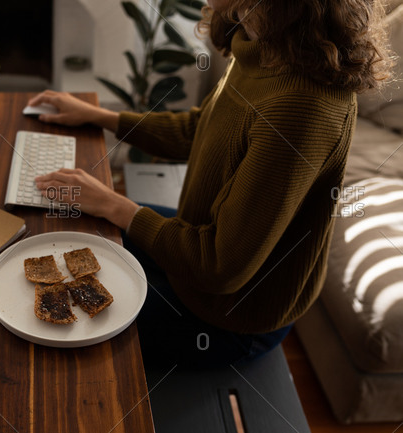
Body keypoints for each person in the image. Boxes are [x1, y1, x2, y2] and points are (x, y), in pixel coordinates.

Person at [31, 0, 393, 368]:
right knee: (67, 227)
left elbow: (219, 268)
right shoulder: (263, 44)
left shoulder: (301, 107)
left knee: (53, 332)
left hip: (226, 317)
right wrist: (98, 116)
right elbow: (198, 130)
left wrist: (114, 204)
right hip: (198, 250)